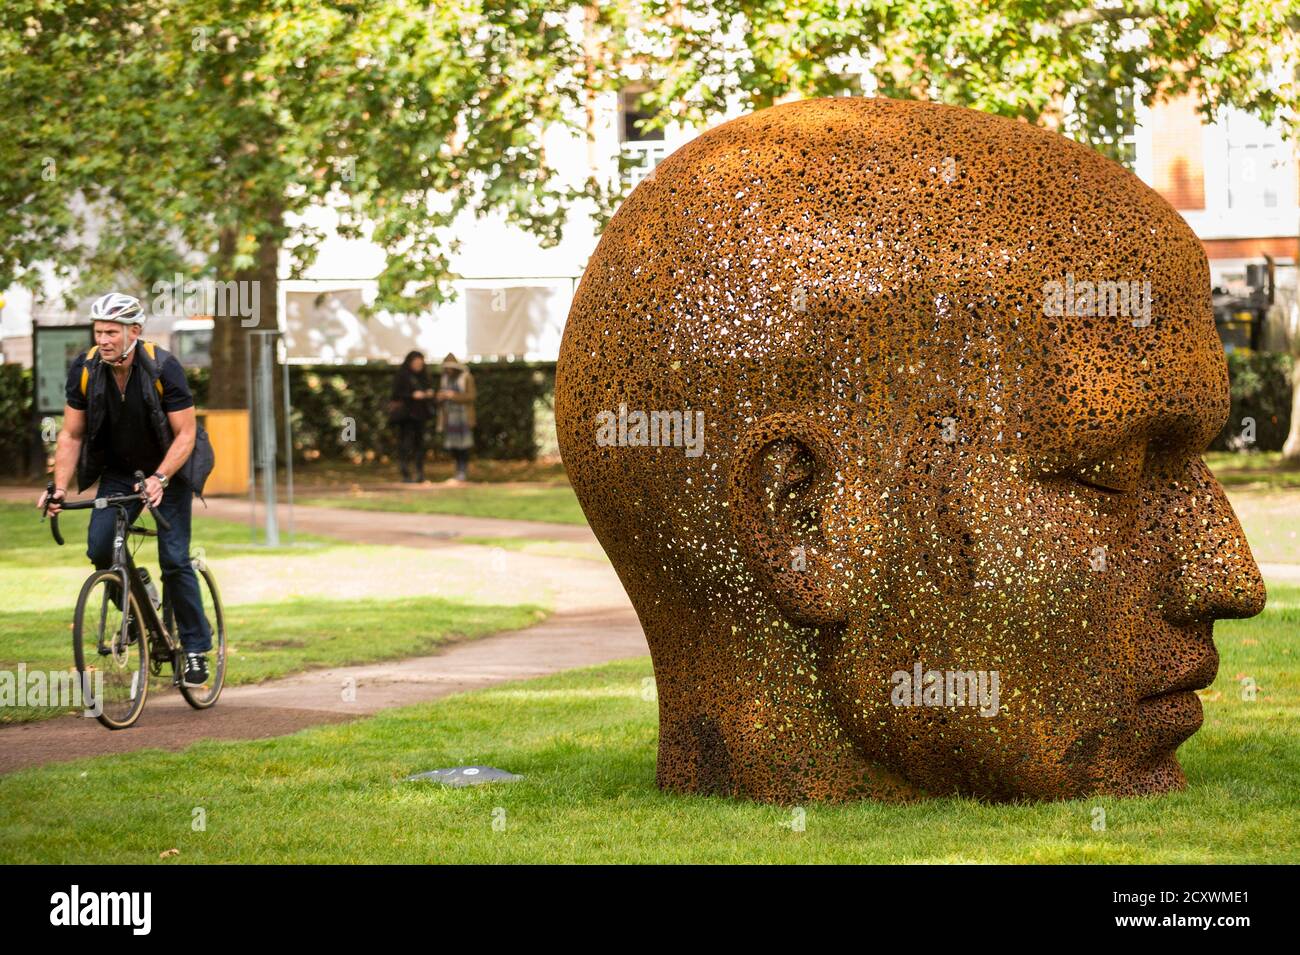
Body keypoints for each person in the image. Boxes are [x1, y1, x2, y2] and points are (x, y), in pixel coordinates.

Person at [37, 291, 214, 687]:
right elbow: (70, 434)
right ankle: (135, 604)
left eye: (111, 332)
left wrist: (161, 479)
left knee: (174, 558)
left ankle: (197, 648)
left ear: (134, 331)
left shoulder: (164, 366)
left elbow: (186, 434)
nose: (103, 339)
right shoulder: (83, 369)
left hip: (169, 470)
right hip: (119, 472)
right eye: (98, 331)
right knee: (100, 549)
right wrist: (59, 488)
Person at [389, 351, 434, 483]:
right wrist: (411, 395)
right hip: (406, 416)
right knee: (405, 444)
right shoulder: (402, 376)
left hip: (420, 415)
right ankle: (405, 473)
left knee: (419, 444)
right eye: (416, 363)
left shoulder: (424, 376)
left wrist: (428, 393)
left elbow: (429, 388)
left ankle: (420, 473)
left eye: (420, 363)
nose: (418, 366)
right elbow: (395, 394)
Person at [436, 353, 476, 483]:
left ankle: (463, 471)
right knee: (453, 445)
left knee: (464, 445)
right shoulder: (444, 379)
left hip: (463, 416)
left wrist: (453, 396)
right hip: (450, 416)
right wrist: (441, 397)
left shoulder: (466, 377)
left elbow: (471, 396)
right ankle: (457, 470)